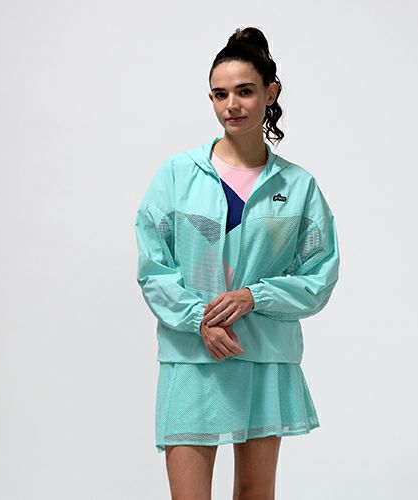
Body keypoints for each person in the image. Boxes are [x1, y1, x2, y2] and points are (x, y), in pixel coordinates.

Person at [134, 26, 340, 500]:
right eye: (220, 94)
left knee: (255, 493)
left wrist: (255, 296)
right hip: (192, 354)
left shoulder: (299, 187)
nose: (232, 105)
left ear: (271, 93)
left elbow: (319, 274)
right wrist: (199, 319)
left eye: (245, 91)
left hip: (265, 355)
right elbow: (153, 266)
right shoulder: (177, 175)